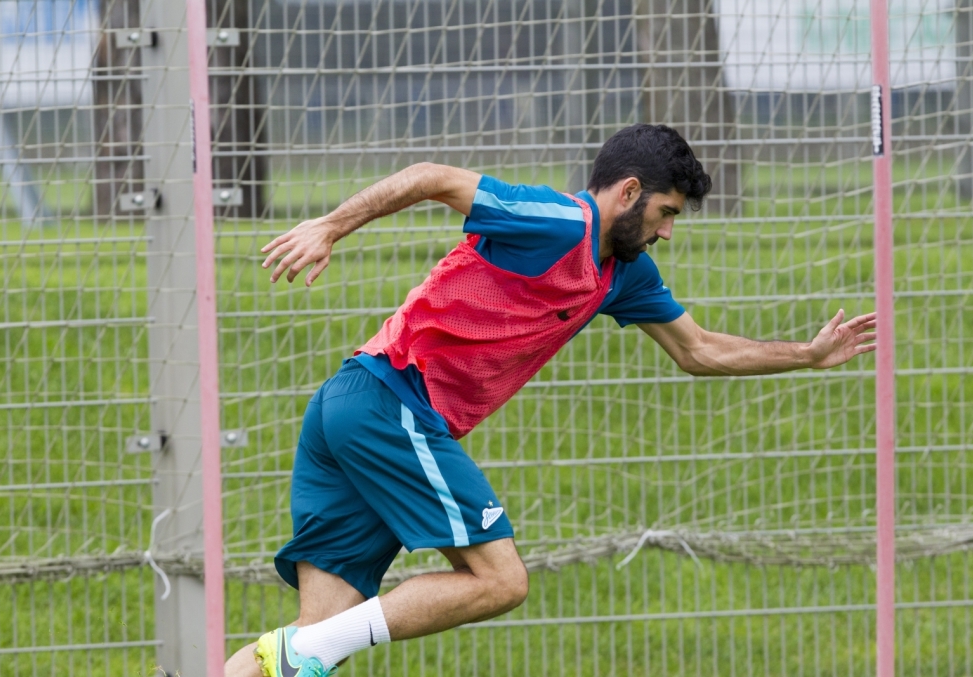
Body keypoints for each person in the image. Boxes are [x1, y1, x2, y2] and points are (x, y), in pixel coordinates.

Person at [226, 124, 877, 677]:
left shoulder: (624, 273)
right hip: (390, 402)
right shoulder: (557, 221)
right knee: (499, 580)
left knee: (307, 643)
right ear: (629, 193)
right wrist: (329, 226)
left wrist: (807, 354)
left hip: (353, 406)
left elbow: (698, 349)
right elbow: (430, 177)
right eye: (666, 213)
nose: (667, 232)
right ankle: (304, 650)